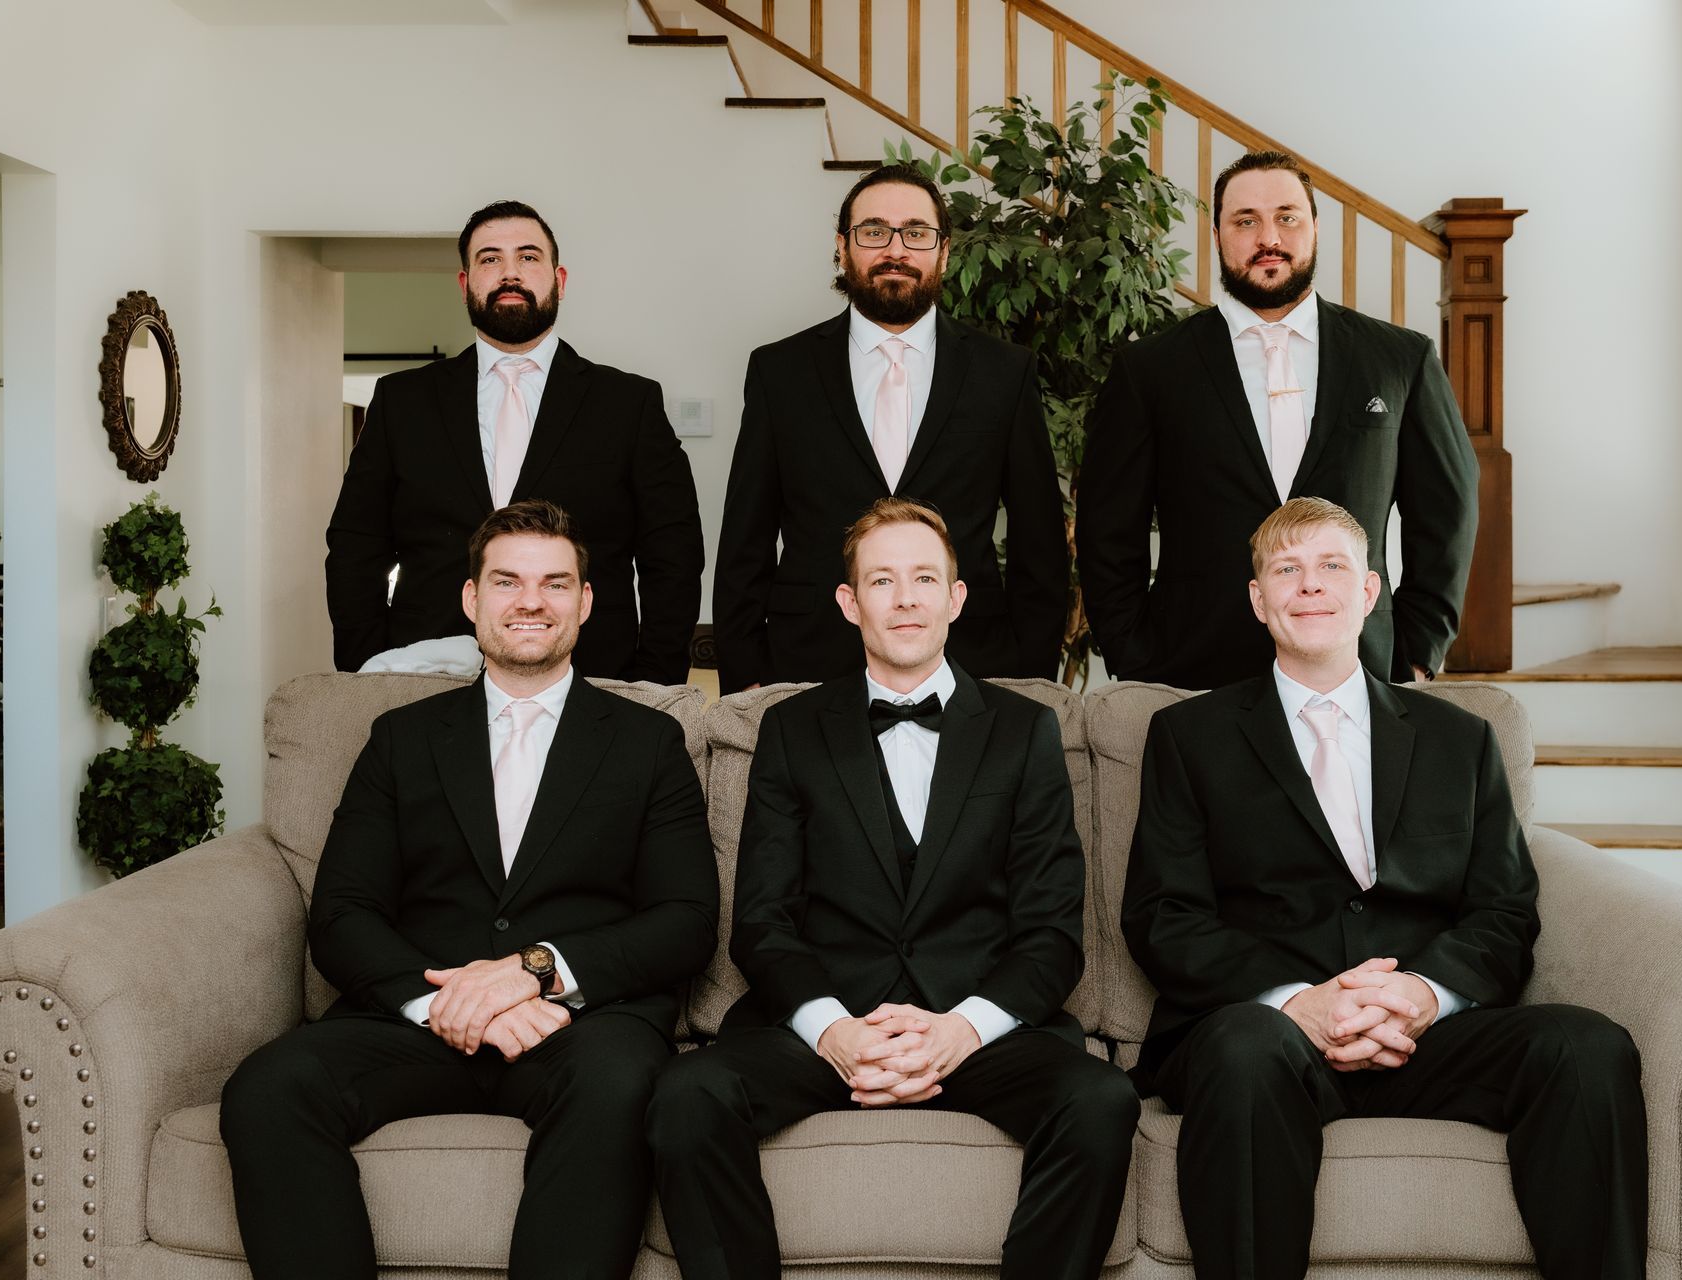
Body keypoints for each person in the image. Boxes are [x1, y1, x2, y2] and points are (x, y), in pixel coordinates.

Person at [1119, 496, 1645, 1280]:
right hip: (1270, 1034)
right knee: (1241, 1049)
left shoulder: (1462, 739)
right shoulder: (1190, 737)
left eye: (1332, 566)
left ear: (1369, 592)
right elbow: (1163, 914)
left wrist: (1425, 995)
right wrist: (1303, 999)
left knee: (1586, 1045)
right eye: (1286, 571)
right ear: (1259, 601)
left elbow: (1503, 910)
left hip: (1425, 1030)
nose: (1310, 586)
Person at [224, 499, 718, 1280]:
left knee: (622, 1083)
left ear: (586, 603)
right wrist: (445, 1003)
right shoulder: (400, 738)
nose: (531, 602)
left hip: (579, 1028)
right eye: (508, 582)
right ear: (471, 600)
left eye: (556, 584)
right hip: (421, 1020)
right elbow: (343, 914)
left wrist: (532, 973)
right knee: (269, 1087)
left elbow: (686, 920)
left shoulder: (647, 742)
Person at [650, 497, 1138, 1280]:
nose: (905, 598)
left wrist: (961, 1030)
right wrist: (834, 1032)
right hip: (830, 1025)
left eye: (923, 578)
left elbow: (1050, 933)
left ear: (956, 596)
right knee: (685, 1096)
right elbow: (764, 922)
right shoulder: (792, 727)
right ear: (850, 603)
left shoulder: (1025, 730)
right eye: (882, 580)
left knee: (1103, 1101)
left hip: (974, 1028)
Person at [1076, 150, 1477, 689]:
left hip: (1361, 670)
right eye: (1246, 221)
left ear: (1314, 229)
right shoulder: (1147, 370)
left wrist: (1419, 651)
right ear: (1217, 235)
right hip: (1191, 678)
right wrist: (1133, 652)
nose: (1269, 237)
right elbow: (1108, 529)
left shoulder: (1400, 360)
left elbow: (1448, 511)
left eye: (1287, 217)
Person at [712, 164, 1067, 692]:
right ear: (843, 246)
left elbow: (1039, 541)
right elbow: (746, 539)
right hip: (807, 665)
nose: (894, 249)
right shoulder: (778, 372)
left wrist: (1031, 675)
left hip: (972, 664)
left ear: (943, 252)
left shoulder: (1005, 372)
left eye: (916, 233)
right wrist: (745, 675)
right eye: (874, 231)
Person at [326, 199, 705, 683]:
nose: (510, 273)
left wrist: (655, 679)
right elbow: (356, 544)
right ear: (465, 284)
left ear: (559, 280)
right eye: (490, 259)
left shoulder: (629, 403)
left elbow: (672, 552)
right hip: (421, 674)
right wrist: (368, 664)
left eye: (528, 257)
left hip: (593, 674)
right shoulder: (402, 400)